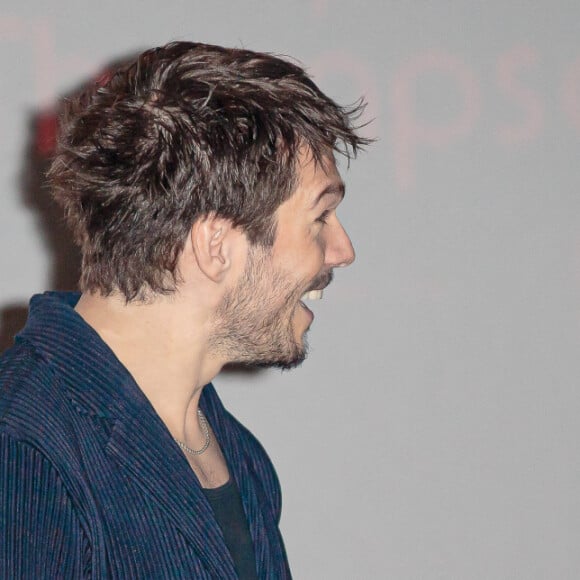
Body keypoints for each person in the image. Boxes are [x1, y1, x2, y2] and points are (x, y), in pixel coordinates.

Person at [0, 41, 368, 578]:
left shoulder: (237, 455)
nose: (343, 250)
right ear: (215, 244)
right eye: (321, 216)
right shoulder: (25, 453)